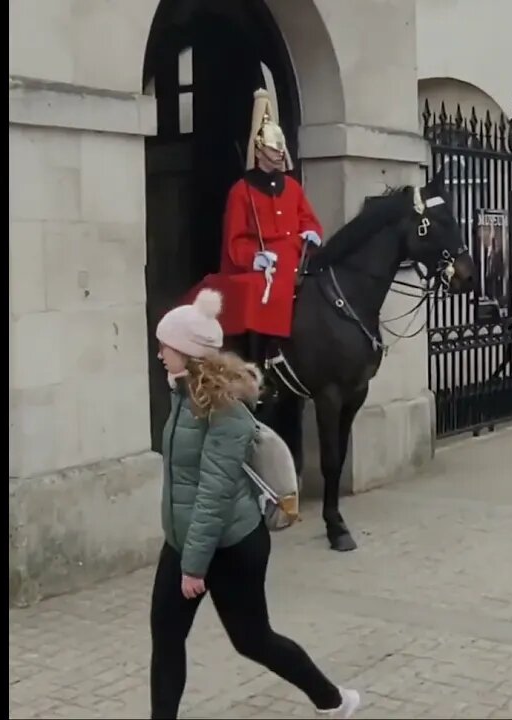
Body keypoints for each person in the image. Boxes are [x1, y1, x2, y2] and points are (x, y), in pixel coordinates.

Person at [150, 288, 361, 720]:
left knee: (252, 639)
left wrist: (193, 567)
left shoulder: (225, 410)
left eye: (165, 346)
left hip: (231, 545)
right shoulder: (183, 394)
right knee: (167, 635)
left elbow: (213, 493)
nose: (159, 354)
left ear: (187, 352)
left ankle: (333, 699)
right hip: (185, 538)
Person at [217, 88, 325, 363]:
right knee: (259, 294)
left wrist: (312, 233)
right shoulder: (241, 191)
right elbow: (234, 240)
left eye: (280, 148)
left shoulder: (292, 187)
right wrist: (253, 258)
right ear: (259, 150)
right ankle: (260, 359)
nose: (279, 154)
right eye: (273, 149)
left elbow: (308, 218)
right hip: (265, 267)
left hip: (297, 259)